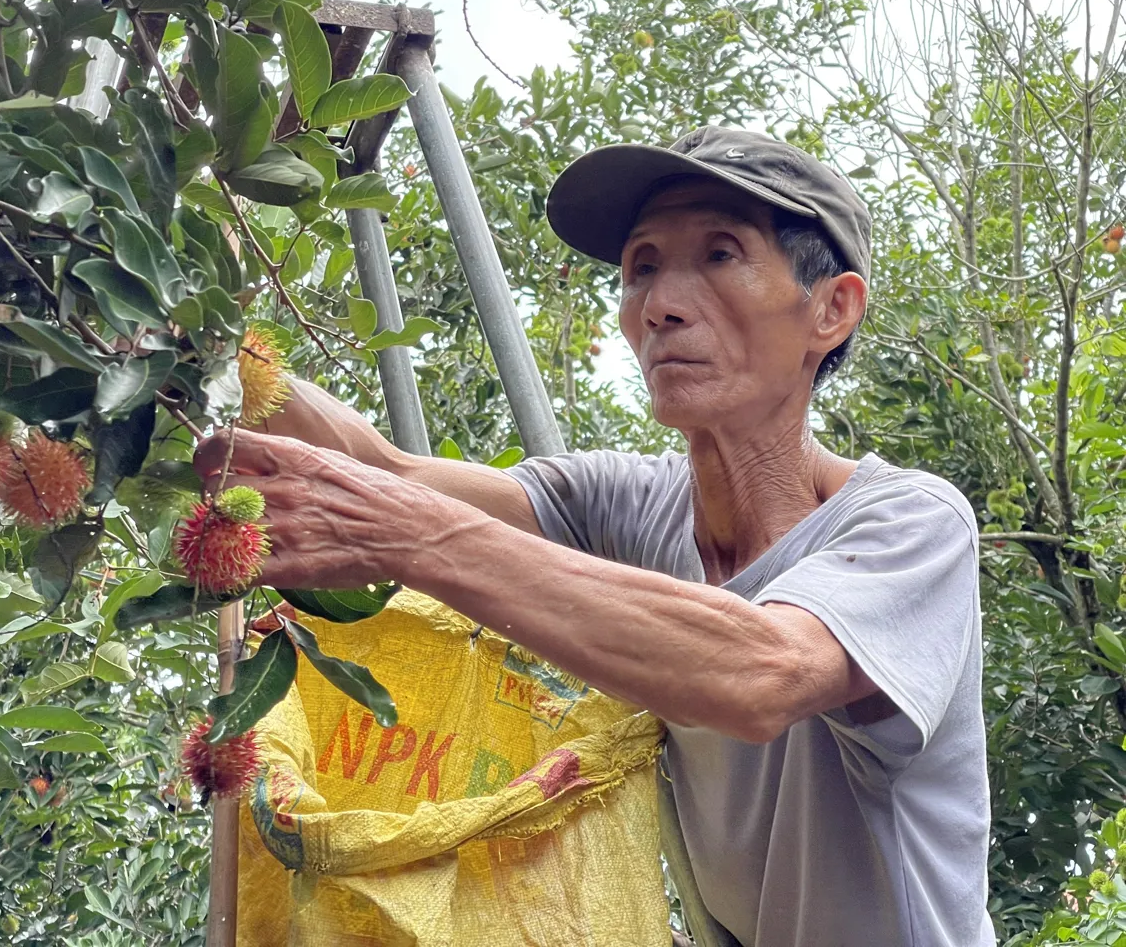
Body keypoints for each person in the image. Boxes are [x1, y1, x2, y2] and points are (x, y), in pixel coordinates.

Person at [193, 127, 992, 947]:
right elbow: (387, 472)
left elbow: (763, 671)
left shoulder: (910, 523)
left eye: (720, 254)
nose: (662, 303)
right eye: (643, 265)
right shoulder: (633, 504)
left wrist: (414, 539)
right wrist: (198, 347)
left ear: (832, 308)